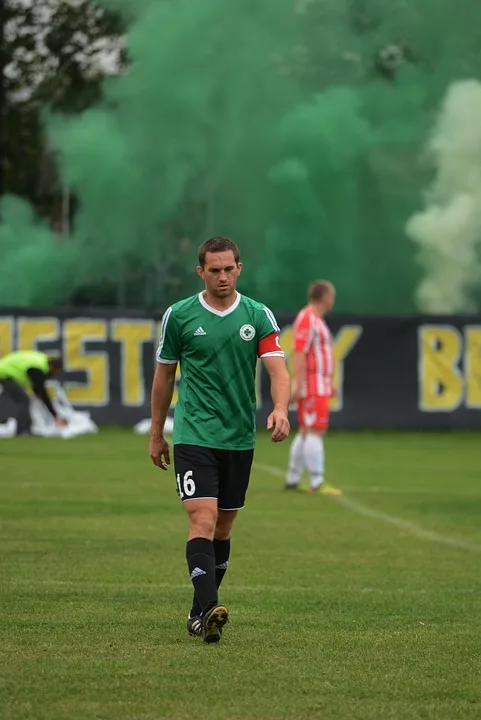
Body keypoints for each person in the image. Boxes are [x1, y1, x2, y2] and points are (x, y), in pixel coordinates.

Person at [149, 236, 291, 644]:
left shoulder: (257, 315)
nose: (223, 276)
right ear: (201, 272)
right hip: (193, 433)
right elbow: (164, 376)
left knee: (224, 529)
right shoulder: (179, 316)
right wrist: (157, 431)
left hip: (239, 438)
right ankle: (211, 608)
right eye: (215, 270)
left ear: (239, 269)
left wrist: (280, 409)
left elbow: (278, 370)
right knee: (202, 519)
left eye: (229, 268)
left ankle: (198, 611)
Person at [285, 280, 342, 496]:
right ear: (325, 297)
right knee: (315, 430)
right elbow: (299, 352)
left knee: (307, 430)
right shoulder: (308, 318)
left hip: (319, 383)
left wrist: (329, 382)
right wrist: (298, 384)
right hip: (312, 385)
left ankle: (293, 477)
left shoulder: (315, 319)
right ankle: (317, 481)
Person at [0, 351, 66, 435]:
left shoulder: (41, 360)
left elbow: (37, 389)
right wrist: (55, 415)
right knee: (24, 400)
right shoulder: (38, 368)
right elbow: (42, 393)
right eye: (55, 372)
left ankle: (25, 428)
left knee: (21, 398)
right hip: (4, 373)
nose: (53, 375)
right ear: (54, 367)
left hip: (6, 371)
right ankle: (22, 430)